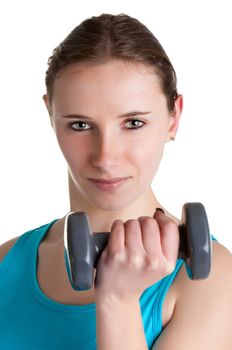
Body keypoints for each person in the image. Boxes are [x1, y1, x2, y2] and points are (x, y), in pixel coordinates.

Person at [0, 13, 231, 350]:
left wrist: (118, 300)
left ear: (173, 118)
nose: (106, 157)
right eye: (80, 125)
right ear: (50, 115)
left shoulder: (213, 282)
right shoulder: (6, 263)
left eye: (133, 123)